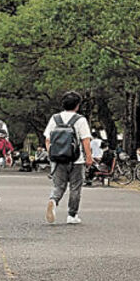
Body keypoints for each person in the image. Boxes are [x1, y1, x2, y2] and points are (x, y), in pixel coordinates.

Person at [43, 91, 93, 225]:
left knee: (59, 186)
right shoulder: (80, 120)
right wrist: (89, 157)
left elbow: (48, 139)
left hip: (58, 160)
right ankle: (72, 215)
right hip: (76, 160)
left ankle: (53, 200)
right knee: (75, 187)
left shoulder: (55, 119)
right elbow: (85, 141)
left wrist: (52, 154)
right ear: (77, 106)